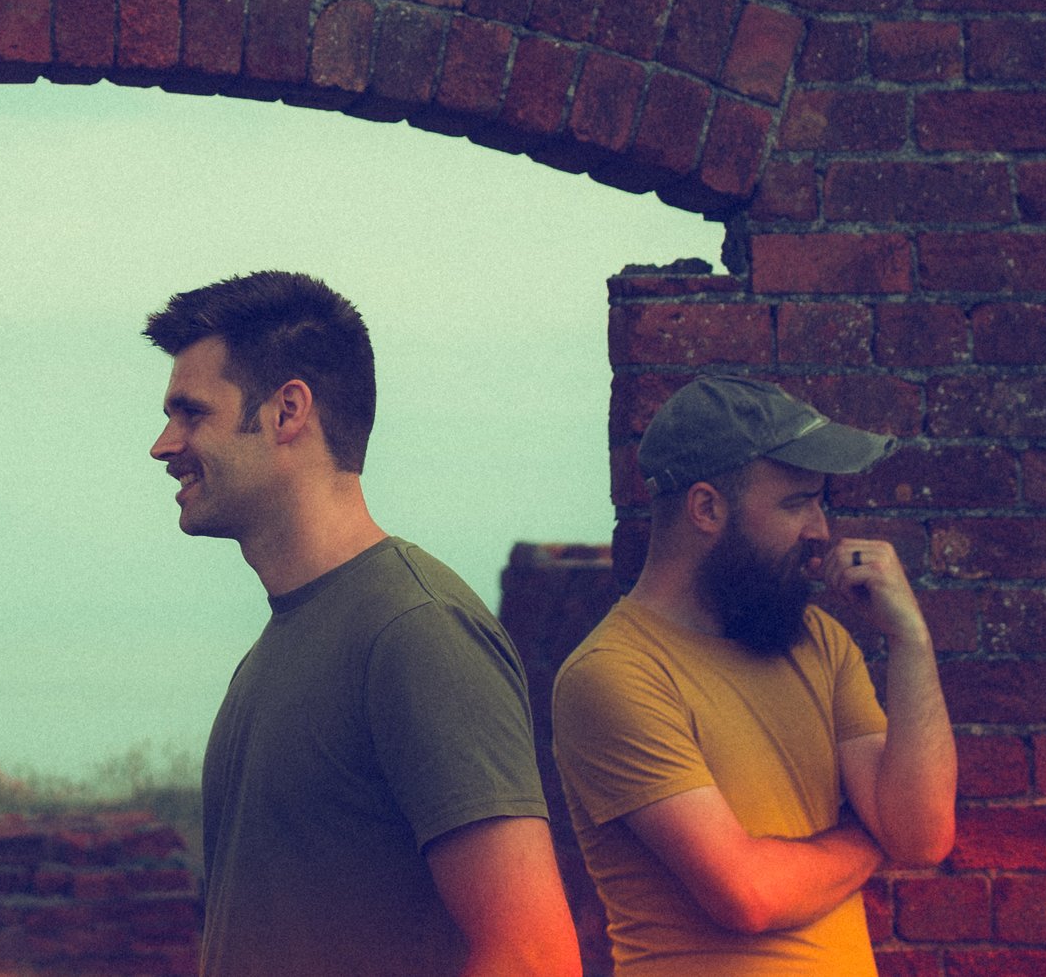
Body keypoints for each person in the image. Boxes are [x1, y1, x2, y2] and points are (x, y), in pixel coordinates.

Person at [145, 270, 583, 977]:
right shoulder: (277, 647)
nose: (164, 444)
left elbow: (534, 957)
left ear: (288, 411)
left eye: (191, 412)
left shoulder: (417, 629)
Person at [551, 375, 957, 974]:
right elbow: (748, 896)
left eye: (821, 502)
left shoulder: (818, 641)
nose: (820, 530)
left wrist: (911, 640)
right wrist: (867, 839)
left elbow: (920, 837)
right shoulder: (613, 674)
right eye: (796, 502)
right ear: (707, 508)